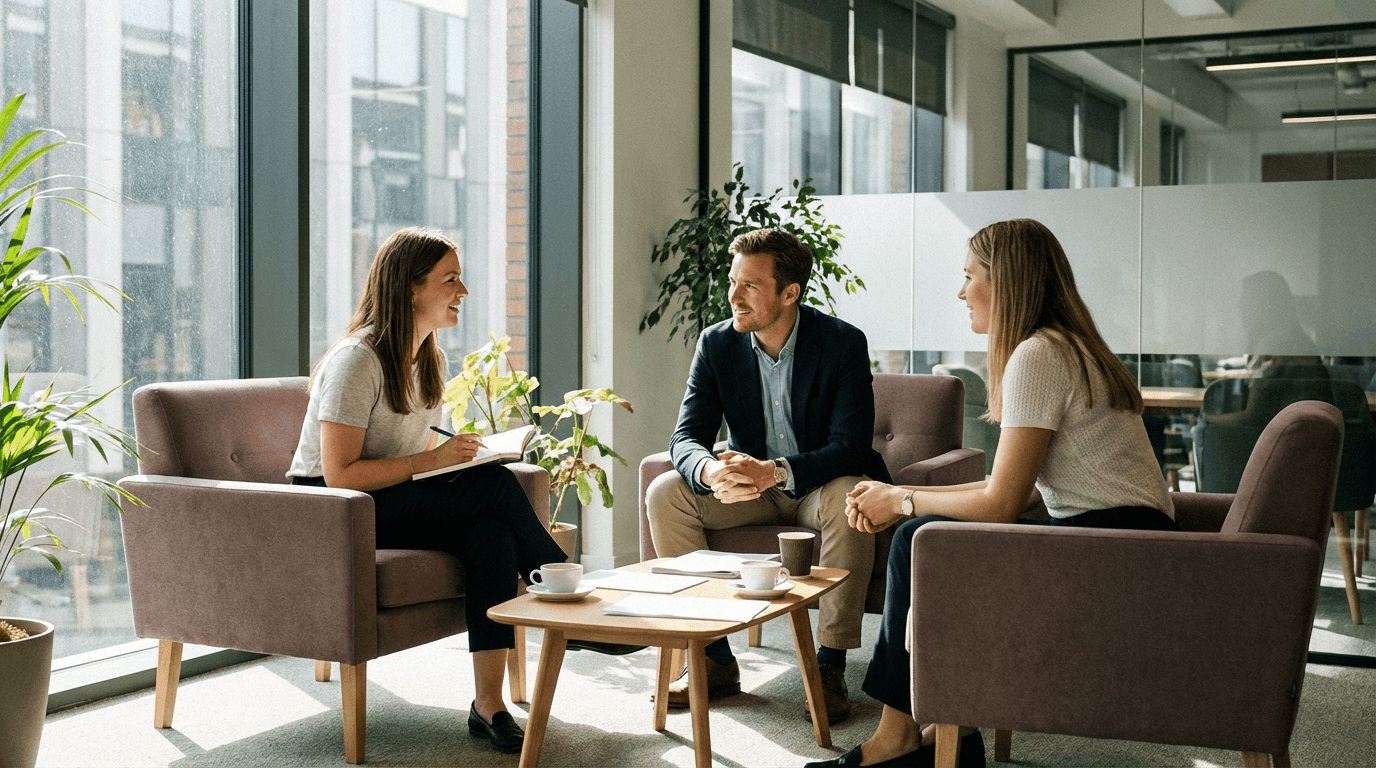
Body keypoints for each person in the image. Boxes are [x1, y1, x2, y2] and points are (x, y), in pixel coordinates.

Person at [807, 219, 1178, 768]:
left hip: (1114, 552)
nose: (961, 292)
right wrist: (898, 490)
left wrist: (901, 503)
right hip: (1126, 542)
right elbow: (1009, 484)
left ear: (1006, 283)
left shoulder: (1038, 355)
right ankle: (948, 730)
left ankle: (898, 738)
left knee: (918, 539)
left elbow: (1002, 504)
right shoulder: (1066, 347)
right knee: (932, 542)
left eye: (969, 276)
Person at [286, 227, 568, 756]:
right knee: (493, 485)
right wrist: (433, 462)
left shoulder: (425, 358)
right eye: (451, 279)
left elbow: (410, 462)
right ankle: (564, 593)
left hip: (387, 499)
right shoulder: (357, 360)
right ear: (411, 289)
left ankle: (489, 706)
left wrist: (455, 458)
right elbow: (339, 474)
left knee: (490, 534)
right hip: (330, 510)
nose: (462, 291)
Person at [645, 227, 891, 723]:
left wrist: (774, 471)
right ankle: (713, 658)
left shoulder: (841, 343)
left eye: (749, 286)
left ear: (789, 293)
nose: (733, 295)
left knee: (851, 496)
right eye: (732, 281)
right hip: (749, 489)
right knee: (665, 491)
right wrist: (711, 469)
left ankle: (829, 665)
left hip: (816, 485)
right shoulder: (716, 344)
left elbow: (849, 448)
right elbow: (685, 437)